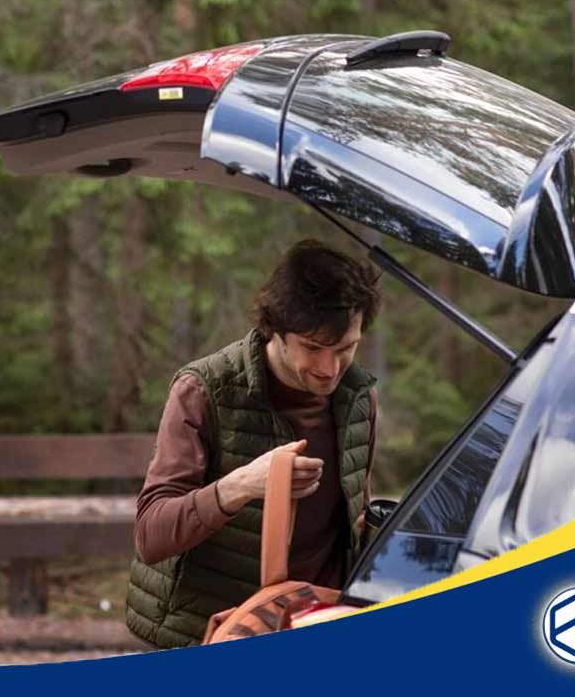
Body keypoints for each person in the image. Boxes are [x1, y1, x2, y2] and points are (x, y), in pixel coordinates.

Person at [125, 240, 382, 649]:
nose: (328, 369)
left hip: (310, 621)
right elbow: (151, 535)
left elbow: (354, 510)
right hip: (206, 632)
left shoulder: (358, 396)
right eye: (312, 348)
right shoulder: (204, 389)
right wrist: (243, 484)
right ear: (274, 329)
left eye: (345, 349)